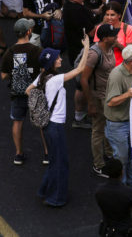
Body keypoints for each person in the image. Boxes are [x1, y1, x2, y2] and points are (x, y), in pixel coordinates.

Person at [26, 37, 91, 207]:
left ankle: (44, 190)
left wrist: (41, 104)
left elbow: (28, 90)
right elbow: (80, 69)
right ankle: (56, 198)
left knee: (54, 160)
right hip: (55, 126)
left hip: (48, 125)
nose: (61, 59)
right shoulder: (55, 80)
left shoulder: (42, 77)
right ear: (52, 63)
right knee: (61, 163)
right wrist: (86, 47)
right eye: (57, 58)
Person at [104, 43, 132, 195]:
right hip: (118, 124)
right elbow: (111, 102)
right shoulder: (116, 75)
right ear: (131, 62)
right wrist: (127, 95)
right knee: (121, 159)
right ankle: (121, 191)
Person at [0, 18, 47, 165]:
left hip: (18, 93)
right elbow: (44, 70)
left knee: (17, 121)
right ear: (29, 31)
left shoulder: (10, 52)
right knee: (42, 123)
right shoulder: (37, 51)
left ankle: (18, 154)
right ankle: (47, 154)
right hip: (35, 92)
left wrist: (16, 72)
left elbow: (3, 76)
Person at [82, 22, 119, 176]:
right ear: (104, 38)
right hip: (99, 98)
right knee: (98, 130)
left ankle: (109, 154)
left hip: (109, 95)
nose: (116, 37)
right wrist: (91, 103)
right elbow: (84, 79)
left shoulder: (110, 47)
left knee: (108, 126)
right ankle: (98, 164)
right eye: (113, 35)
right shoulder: (94, 54)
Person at [95, 158, 132, 235]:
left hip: (108, 230)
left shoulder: (99, 191)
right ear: (122, 172)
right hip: (125, 231)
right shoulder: (129, 193)